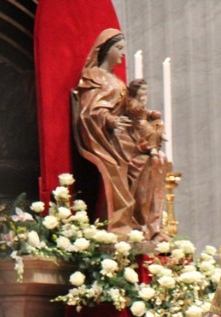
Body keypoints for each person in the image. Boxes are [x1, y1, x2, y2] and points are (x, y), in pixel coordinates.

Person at [75, 29, 135, 236]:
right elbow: (89, 111)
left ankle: (144, 223)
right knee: (121, 165)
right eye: (118, 48)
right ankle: (120, 226)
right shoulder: (93, 77)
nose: (123, 54)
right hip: (103, 139)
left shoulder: (117, 81)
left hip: (121, 137)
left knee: (150, 164)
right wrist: (110, 120)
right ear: (106, 50)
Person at [127, 78, 169, 241]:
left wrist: (153, 114)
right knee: (150, 134)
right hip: (136, 139)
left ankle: (154, 225)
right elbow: (133, 115)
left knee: (157, 127)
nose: (145, 94)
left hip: (144, 132)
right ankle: (141, 223)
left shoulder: (141, 106)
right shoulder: (132, 104)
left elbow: (147, 113)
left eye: (146, 91)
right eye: (142, 91)